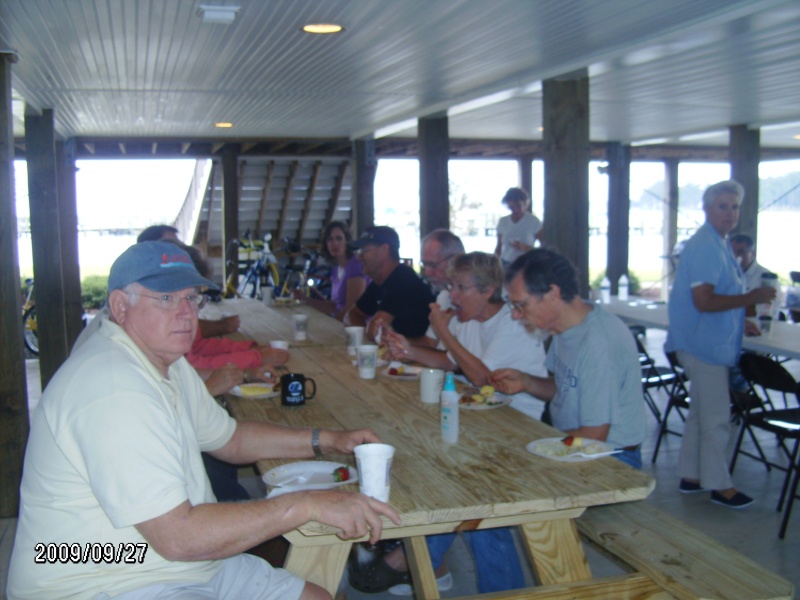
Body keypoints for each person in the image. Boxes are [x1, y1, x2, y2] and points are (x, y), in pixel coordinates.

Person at [7, 241, 400, 600]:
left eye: (192, 298)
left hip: (174, 564)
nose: (186, 313)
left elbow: (231, 439)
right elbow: (179, 536)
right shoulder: (113, 388)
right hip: (100, 581)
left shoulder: (164, 361)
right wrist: (306, 505)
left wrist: (329, 439)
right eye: (166, 298)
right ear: (120, 306)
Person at [357, 252, 546, 597]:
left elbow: (483, 378)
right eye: (450, 286)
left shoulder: (512, 323)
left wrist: (444, 329)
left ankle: (416, 560)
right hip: (479, 422)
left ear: (488, 290)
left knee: (476, 499)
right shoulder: (466, 318)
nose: (451, 295)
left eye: (460, 288)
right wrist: (408, 350)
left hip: (518, 429)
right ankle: (416, 558)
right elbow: (448, 360)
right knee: (412, 448)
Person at [664, 180, 776, 509]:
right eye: (722, 206)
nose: (730, 213)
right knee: (715, 418)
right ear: (707, 208)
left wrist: (742, 319)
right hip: (703, 345)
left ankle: (691, 475)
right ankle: (719, 485)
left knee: (701, 413)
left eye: (734, 207)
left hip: (707, 341)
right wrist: (751, 298)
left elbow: (720, 298)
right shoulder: (706, 246)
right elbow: (704, 300)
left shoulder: (718, 243)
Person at [490, 248, 646, 470]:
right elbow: (565, 388)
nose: (515, 315)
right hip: (578, 447)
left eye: (521, 305)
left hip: (610, 458)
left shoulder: (598, 342)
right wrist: (527, 382)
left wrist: (527, 443)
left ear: (553, 294)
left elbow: (594, 436)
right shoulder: (565, 326)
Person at [344, 226, 435, 341]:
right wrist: (365, 332)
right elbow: (351, 315)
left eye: (364, 250)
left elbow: (375, 331)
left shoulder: (403, 282)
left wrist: (365, 333)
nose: (358, 257)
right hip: (401, 351)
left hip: (418, 352)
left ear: (384, 250)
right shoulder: (381, 281)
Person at [298, 221, 369, 320]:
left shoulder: (355, 265)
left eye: (339, 238)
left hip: (358, 325)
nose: (334, 243)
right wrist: (303, 299)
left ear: (347, 241)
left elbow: (351, 309)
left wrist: (331, 324)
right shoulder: (336, 269)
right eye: (330, 239)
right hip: (342, 322)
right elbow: (334, 306)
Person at [418, 228, 465, 346]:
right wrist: (397, 342)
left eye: (433, 265)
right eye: (424, 264)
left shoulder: (474, 299)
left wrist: (442, 330)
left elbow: (452, 358)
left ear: (455, 260)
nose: (427, 272)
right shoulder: (444, 295)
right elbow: (430, 343)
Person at [494, 187, 542, 268]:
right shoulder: (503, 221)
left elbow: (544, 248)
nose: (516, 210)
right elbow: (499, 246)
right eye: (512, 207)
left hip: (526, 264)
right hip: (505, 263)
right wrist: (494, 264)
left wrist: (525, 247)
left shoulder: (534, 221)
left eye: (518, 206)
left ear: (526, 203)